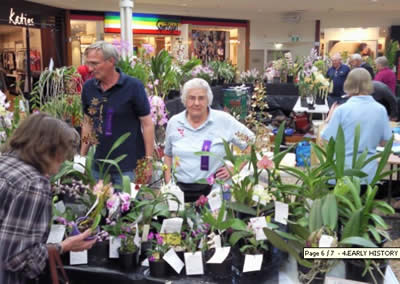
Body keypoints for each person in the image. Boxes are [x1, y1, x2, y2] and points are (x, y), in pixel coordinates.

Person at [0, 113, 96, 284]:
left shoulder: (4, 164)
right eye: (63, 156)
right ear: (50, 151)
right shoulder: (33, 184)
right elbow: (15, 259)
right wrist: (63, 247)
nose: (62, 163)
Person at [164, 78, 254, 202]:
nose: (196, 103)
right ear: (184, 100)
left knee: (214, 221)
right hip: (180, 191)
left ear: (208, 100)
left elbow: (250, 142)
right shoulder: (174, 123)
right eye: (191, 98)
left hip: (215, 191)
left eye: (201, 98)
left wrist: (235, 168)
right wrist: (169, 184)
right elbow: (167, 155)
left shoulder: (224, 120)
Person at [80, 41, 154, 186]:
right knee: (98, 206)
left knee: (129, 207)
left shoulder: (133, 86)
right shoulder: (89, 88)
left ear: (111, 61)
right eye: (88, 63)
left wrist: (148, 161)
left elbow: (147, 124)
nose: (89, 68)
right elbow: (88, 123)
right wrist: (82, 157)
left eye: (95, 63)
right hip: (99, 166)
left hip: (129, 167)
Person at [322, 68, 392, 184]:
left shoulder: (342, 110)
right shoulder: (380, 110)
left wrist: (327, 122)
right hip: (367, 175)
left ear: (347, 84)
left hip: (341, 174)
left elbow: (327, 140)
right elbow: (385, 142)